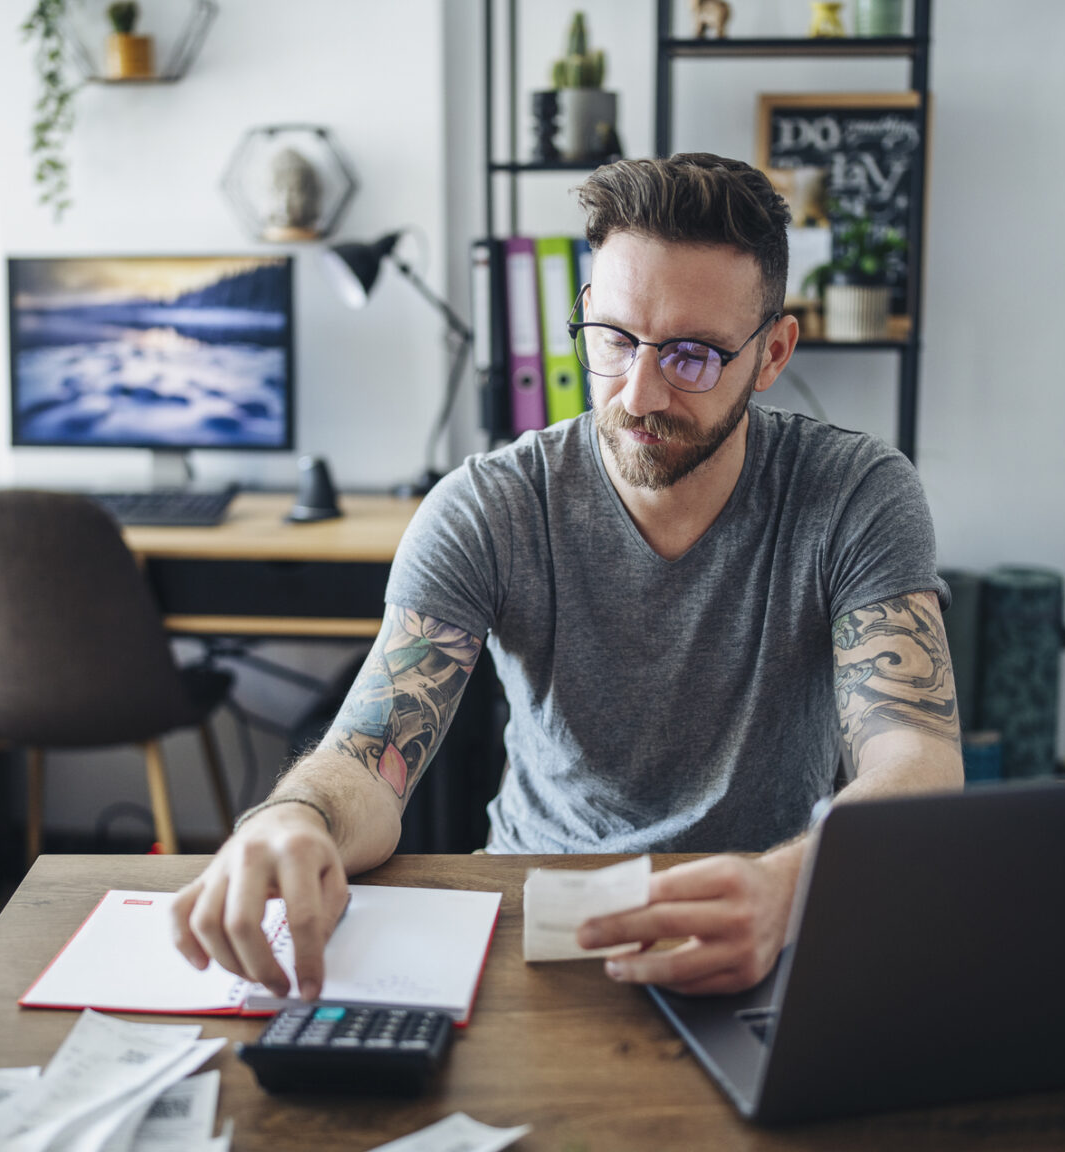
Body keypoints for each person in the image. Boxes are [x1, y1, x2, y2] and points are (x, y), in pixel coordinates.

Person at [172, 153, 963, 1002]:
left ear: (772, 353)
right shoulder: (488, 506)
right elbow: (367, 756)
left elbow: (915, 764)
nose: (638, 394)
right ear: (585, 314)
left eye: (692, 356)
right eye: (617, 341)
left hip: (769, 913)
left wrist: (790, 888)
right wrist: (299, 817)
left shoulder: (856, 494)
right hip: (535, 917)